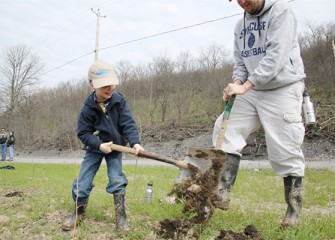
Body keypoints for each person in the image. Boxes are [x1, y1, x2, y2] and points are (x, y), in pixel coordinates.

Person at [214, 0, 306, 228]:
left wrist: (245, 86)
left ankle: (293, 211)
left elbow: (276, 57)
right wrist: (236, 84)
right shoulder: (240, 25)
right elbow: (241, 62)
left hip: (282, 87)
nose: (241, 2)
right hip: (252, 88)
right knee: (225, 127)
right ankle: (221, 192)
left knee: (285, 147)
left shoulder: (281, 12)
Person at [62, 60, 144, 233]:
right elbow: (83, 133)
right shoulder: (88, 108)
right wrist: (99, 145)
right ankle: (79, 213)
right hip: (95, 149)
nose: (110, 88)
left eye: (112, 84)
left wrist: (135, 142)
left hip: (116, 149)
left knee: (117, 179)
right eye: (104, 85)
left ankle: (121, 219)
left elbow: (127, 123)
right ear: (92, 85)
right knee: (82, 184)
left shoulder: (118, 100)